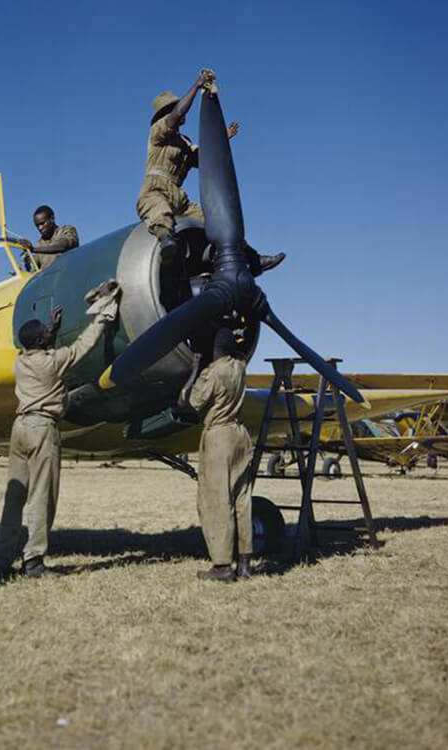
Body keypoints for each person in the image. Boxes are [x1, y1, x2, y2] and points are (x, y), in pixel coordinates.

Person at [0, 283, 120, 578]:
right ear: (41, 341)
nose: (50, 334)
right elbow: (82, 347)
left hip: (20, 427)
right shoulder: (53, 363)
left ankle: (2, 560)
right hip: (42, 430)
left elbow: (38, 346)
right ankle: (34, 560)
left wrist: (49, 328)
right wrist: (102, 317)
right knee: (42, 496)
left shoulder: (21, 361)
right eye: (47, 334)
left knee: (14, 498)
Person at [137, 69, 285, 273]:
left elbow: (205, 158)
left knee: (217, 221)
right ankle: (166, 242)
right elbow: (178, 113)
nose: (180, 112)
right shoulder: (158, 133)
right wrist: (197, 86)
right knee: (158, 210)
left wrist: (223, 136)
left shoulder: (185, 144)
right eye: (173, 108)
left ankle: (252, 258)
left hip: (179, 197)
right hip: (156, 189)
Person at [179, 328, 253, 582]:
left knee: (217, 501)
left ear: (216, 349)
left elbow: (187, 402)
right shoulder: (239, 366)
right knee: (242, 499)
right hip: (240, 435)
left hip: (218, 436)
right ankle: (245, 563)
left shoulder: (213, 373)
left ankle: (222, 566)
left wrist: (194, 369)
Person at [20, 205, 79, 270]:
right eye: (37, 226)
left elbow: (62, 246)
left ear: (52, 219)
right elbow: (34, 267)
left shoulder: (67, 230)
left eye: (42, 223)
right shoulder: (39, 243)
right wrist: (27, 256)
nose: (40, 228)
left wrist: (33, 249)